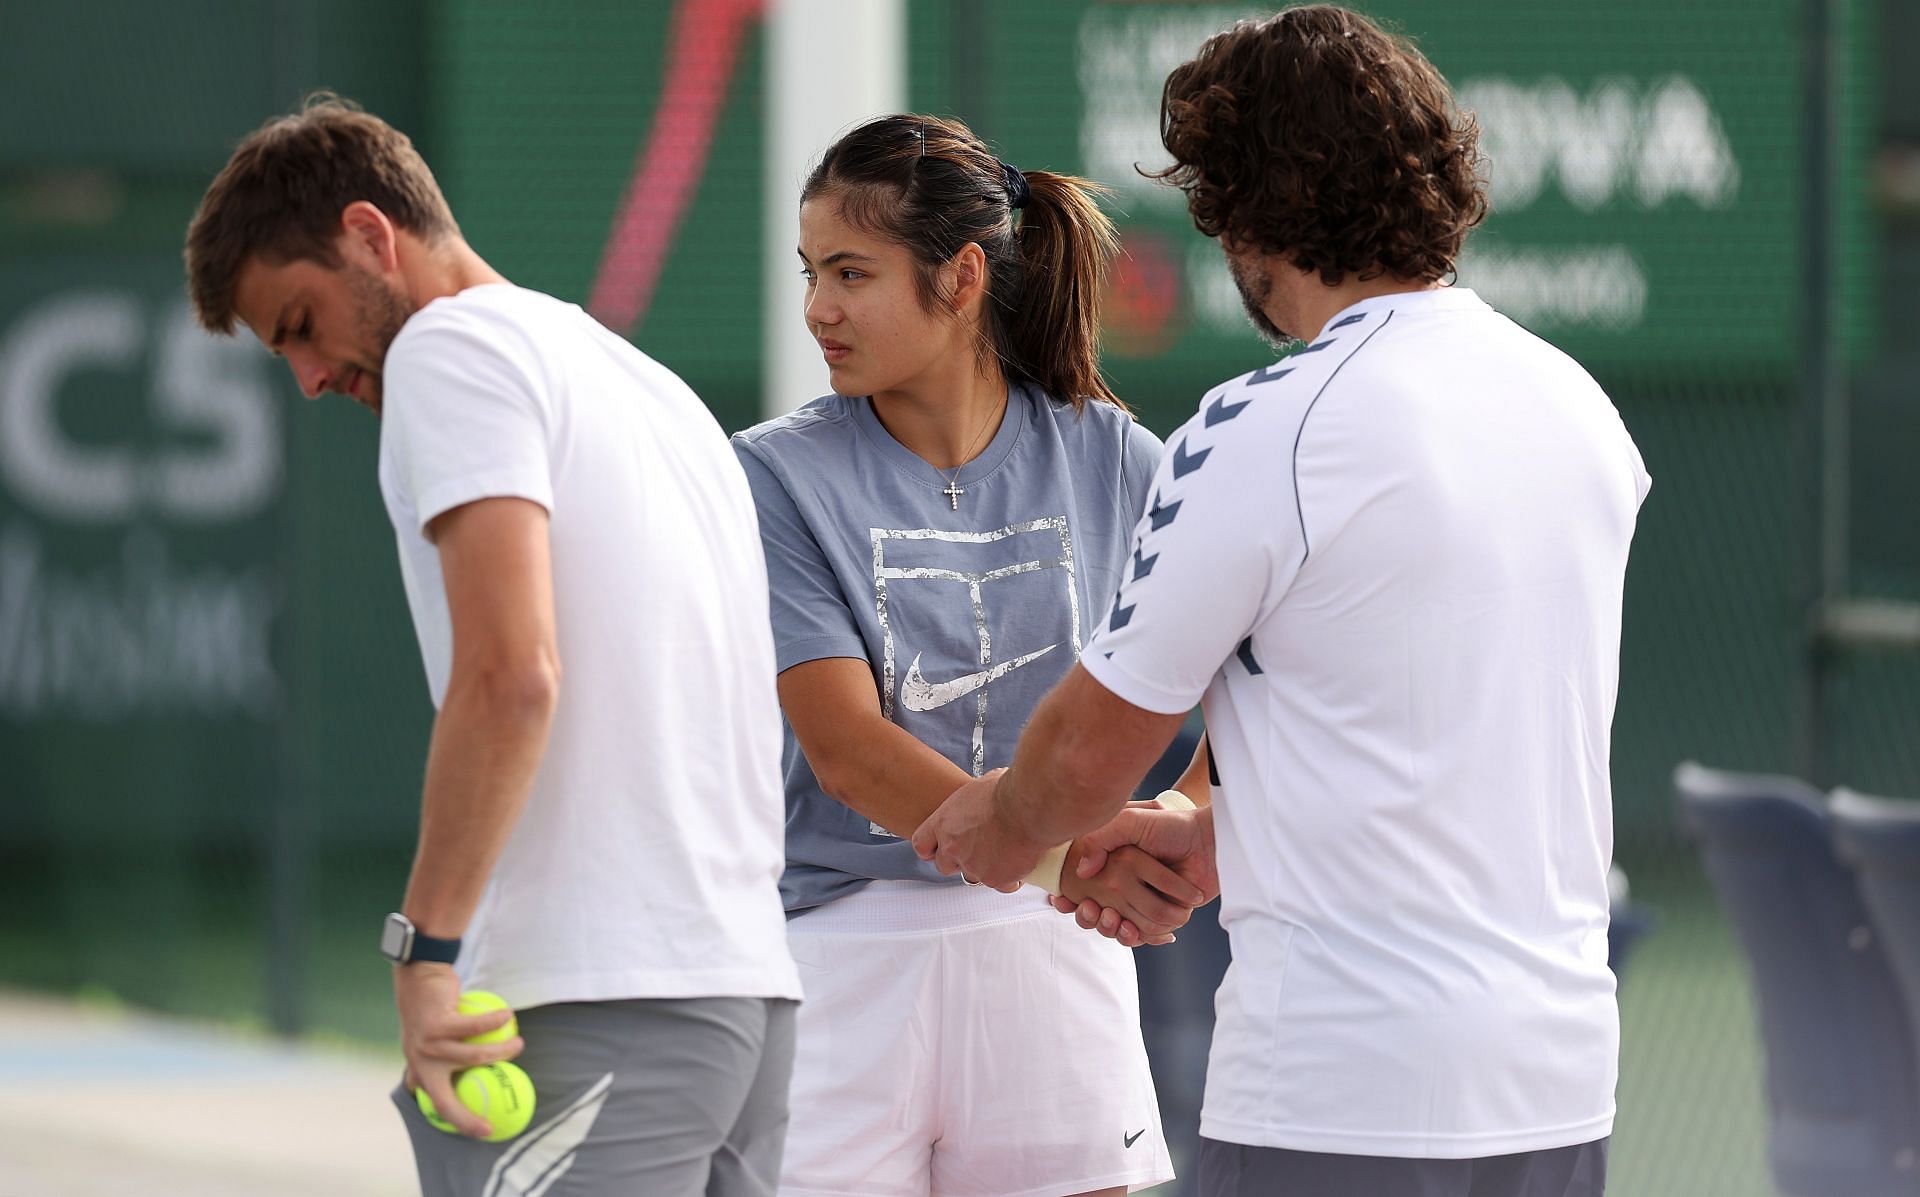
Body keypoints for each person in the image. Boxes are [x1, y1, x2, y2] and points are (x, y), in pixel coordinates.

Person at [914, 8, 1649, 1197]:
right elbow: (1412, 699)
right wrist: (1209, 829)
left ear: (1247, 213)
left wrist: (998, 829)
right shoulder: (1576, 410)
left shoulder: (1266, 425)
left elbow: (1096, 746)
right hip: (1557, 1084)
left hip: (1340, 1096)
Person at [185, 95, 801, 1196]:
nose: (310, 377)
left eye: (299, 324)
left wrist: (424, 949)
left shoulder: (448, 349)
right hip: (743, 1007)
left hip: (591, 1008)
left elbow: (511, 677)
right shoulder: (651, 388)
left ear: (372, 237)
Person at [732, 114, 1204, 1197]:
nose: (819, 310)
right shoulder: (769, 476)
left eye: (852, 272)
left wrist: (1181, 824)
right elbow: (850, 751)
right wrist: (1075, 859)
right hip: (845, 956)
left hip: (1060, 951)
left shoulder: (1122, 460)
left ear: (962, 278)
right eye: (811, 274)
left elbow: (1259, 688)